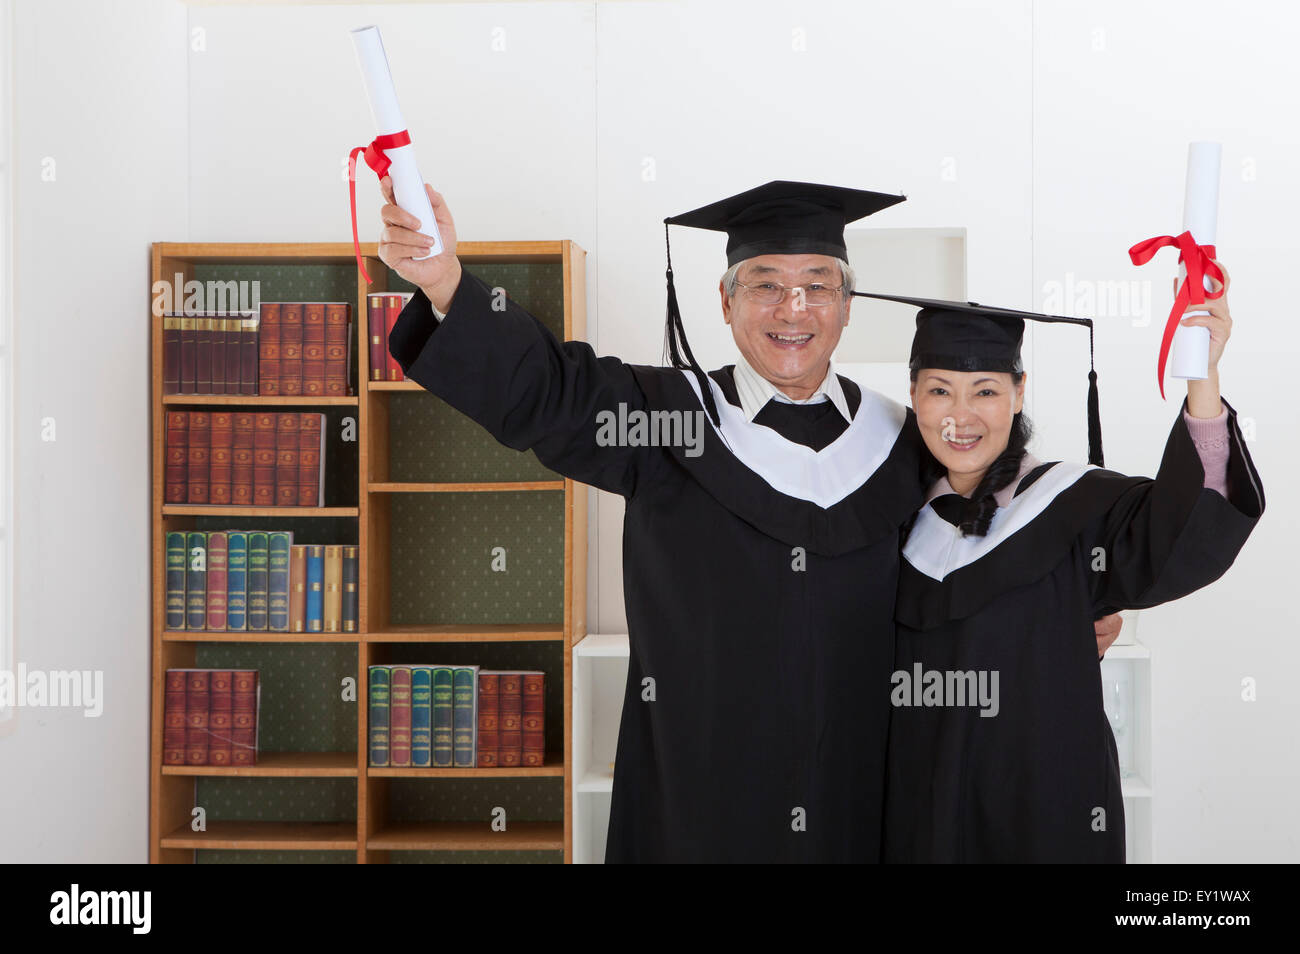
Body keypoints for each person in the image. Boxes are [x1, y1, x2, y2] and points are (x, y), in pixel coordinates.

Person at [375, 175, 1121, 862]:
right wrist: (446, 285)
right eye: (766, 285)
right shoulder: (666, 422)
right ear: (726, 301)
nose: (792, 310)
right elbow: (548, 394)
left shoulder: (904, 444)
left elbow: (976, 554)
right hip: (706, 799)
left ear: (846, 307)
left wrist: (1066, 609)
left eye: (816, 287)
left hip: (863, 790)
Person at [852, 276, 1263, 862]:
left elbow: (1186, 534)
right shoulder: (886, 518)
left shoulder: (1074, 506)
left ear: (1019, 394)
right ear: (913, 394)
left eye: (986, 391)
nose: (960, 415)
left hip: (1044, 811)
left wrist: (1203, 373)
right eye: (940, 390)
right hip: (921, 812)